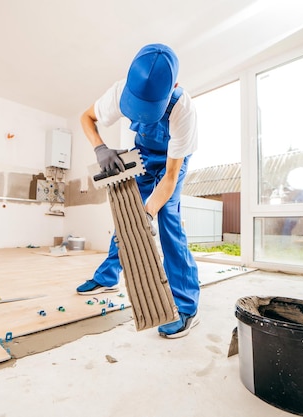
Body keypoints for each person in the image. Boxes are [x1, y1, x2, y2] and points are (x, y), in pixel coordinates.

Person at [76, 44, 200, 339]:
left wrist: (149, 211)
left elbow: (169, 177)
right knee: (126, 217)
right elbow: (86, 118)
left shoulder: (183, 111)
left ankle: (186, 306)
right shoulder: (119, 92)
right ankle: (107, 276)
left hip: (173, 162)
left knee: (167, 220)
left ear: (174, 88)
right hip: (143, 154)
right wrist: (100, 148)